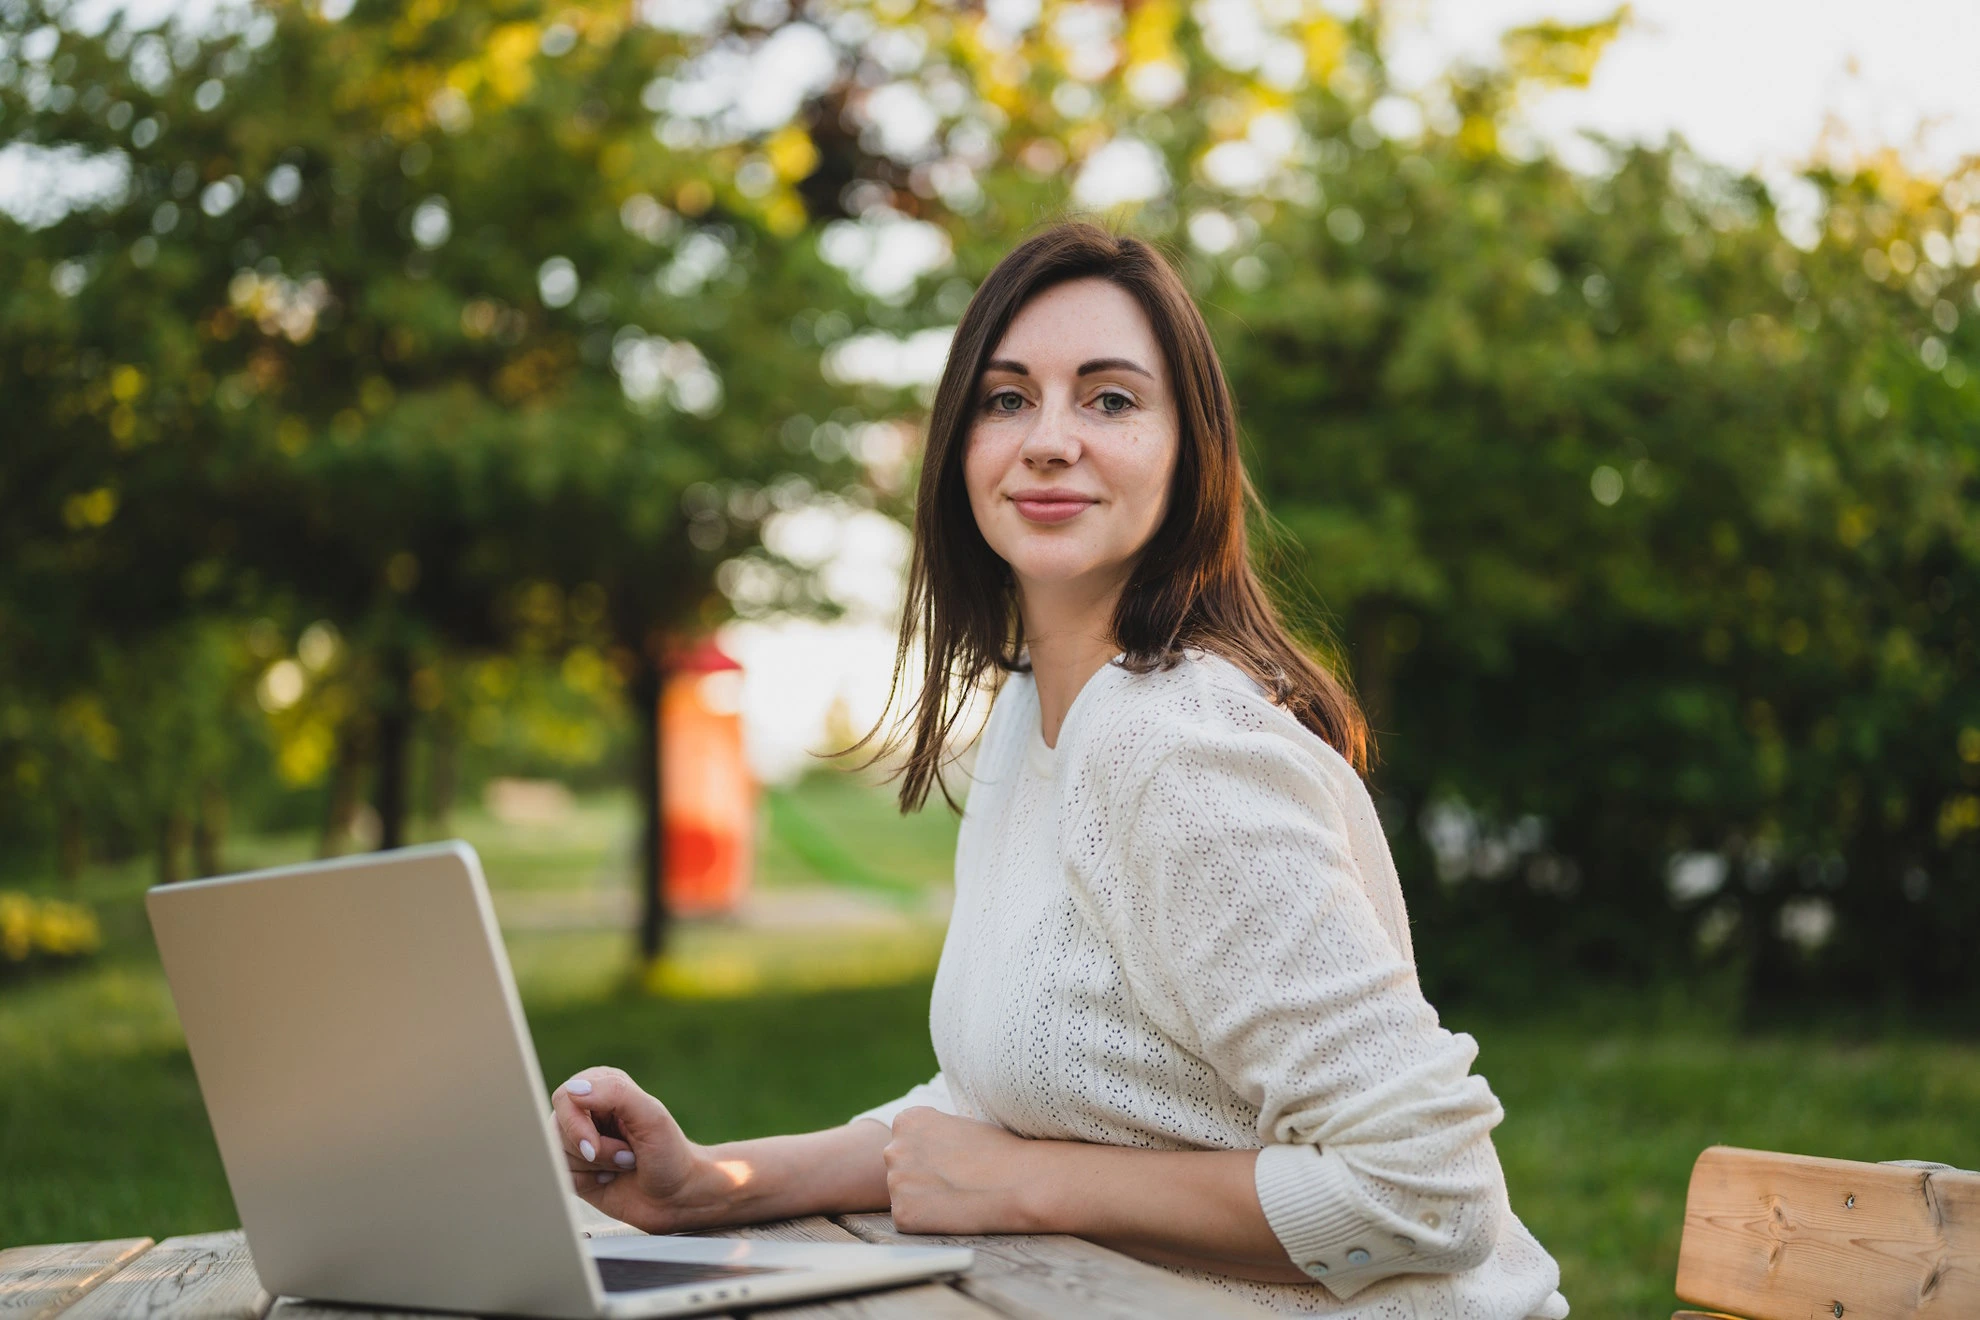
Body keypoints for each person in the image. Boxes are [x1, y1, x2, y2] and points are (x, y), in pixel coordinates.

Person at [550, 221, 1568, 1318]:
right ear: (961, 448)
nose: (1047, 440)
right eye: (1005, 399)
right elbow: (991, 1110)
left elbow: (1426, 1189)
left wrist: (1026, 1186)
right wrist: (710, 1185)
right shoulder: (1034, 715)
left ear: (1190, 453)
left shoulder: (1183, 755)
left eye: (1110, 399)